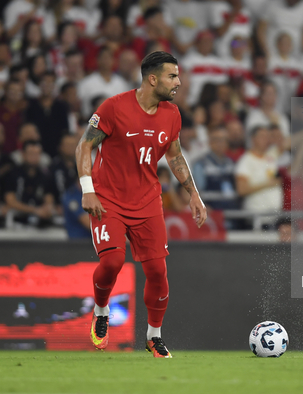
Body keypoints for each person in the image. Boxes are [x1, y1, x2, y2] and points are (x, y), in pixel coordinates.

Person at [75, 51, 207, 358]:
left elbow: (174, 155)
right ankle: (101, 310)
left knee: (158, 272)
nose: (178, 82)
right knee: (112, 263)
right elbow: (85, 144)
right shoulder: (114, 107)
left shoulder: (172, 114)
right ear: (152, 78)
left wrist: (194, 194)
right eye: (172, 76)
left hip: (147, 201)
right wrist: (87, 189)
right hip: (108, 199)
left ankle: (153, 336)